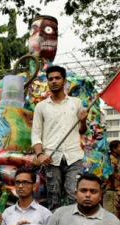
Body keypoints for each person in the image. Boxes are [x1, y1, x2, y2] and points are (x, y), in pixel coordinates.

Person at [31, 65, 88, 210]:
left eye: (57, 78)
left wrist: (83, 120)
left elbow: (82, 131)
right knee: (53, 197)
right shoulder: (41, 107)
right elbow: (36, 134)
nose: (54, 81)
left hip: (74, 157)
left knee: (73, 196)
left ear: (64, 81)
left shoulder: (76, 103)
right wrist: (40, 154)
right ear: (47, 82)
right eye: (50, 79)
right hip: (51, 159)